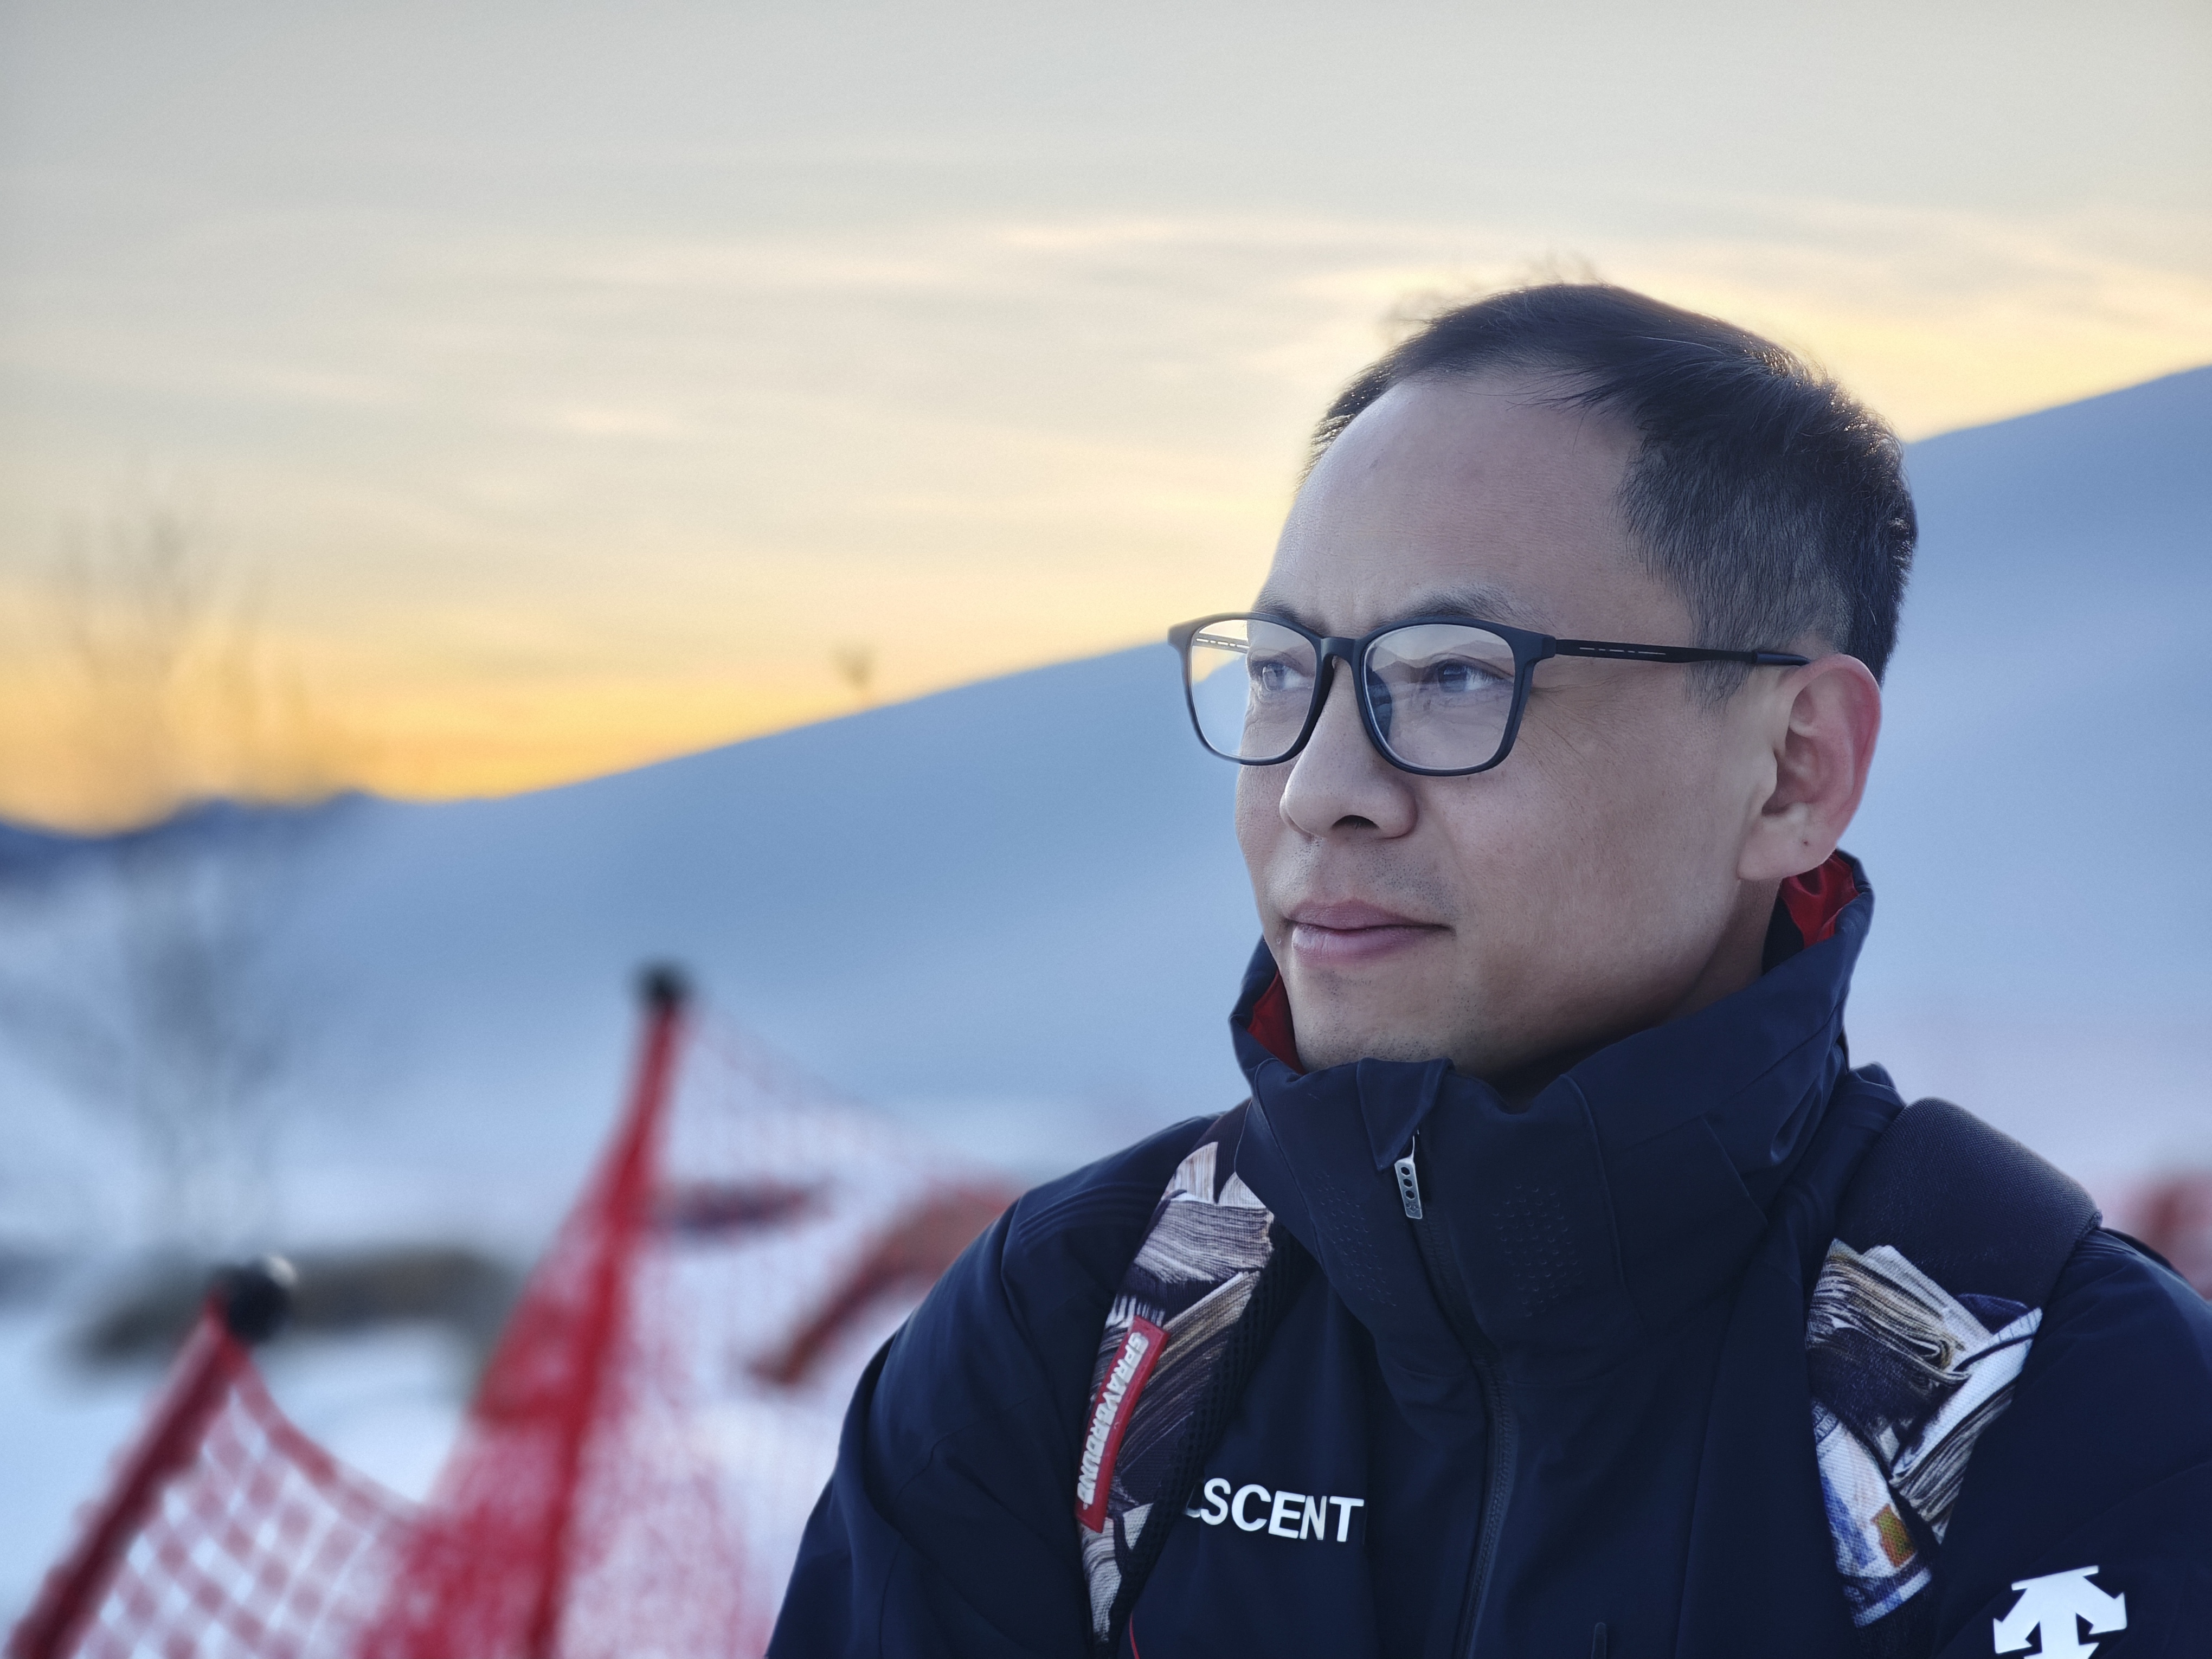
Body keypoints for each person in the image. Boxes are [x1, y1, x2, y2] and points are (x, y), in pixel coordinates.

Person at [769, 285, 2212, 1658]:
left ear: (1794, 770)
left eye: (1455, 674)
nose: (1320, 788)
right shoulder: (1070, 1331)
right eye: (1280, 672)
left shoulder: (2060, 1403)